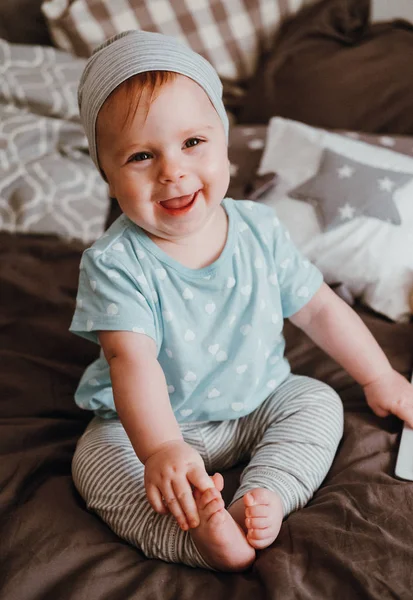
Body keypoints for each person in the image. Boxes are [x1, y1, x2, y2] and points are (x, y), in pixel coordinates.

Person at [70, 30, 413, 572]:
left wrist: (380, 378)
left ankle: (265, 496)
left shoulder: (258, 229)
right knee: (95, 465)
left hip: (256, 402)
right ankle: (199, 538)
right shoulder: (115, 263)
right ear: (108, 177)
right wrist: (159, 450)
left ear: (224, 141)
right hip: (148, 427)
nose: (172, 171)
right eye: (140, 156)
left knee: (317, 402)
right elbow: (129, 360)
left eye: (192, 143)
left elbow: (319, 307)